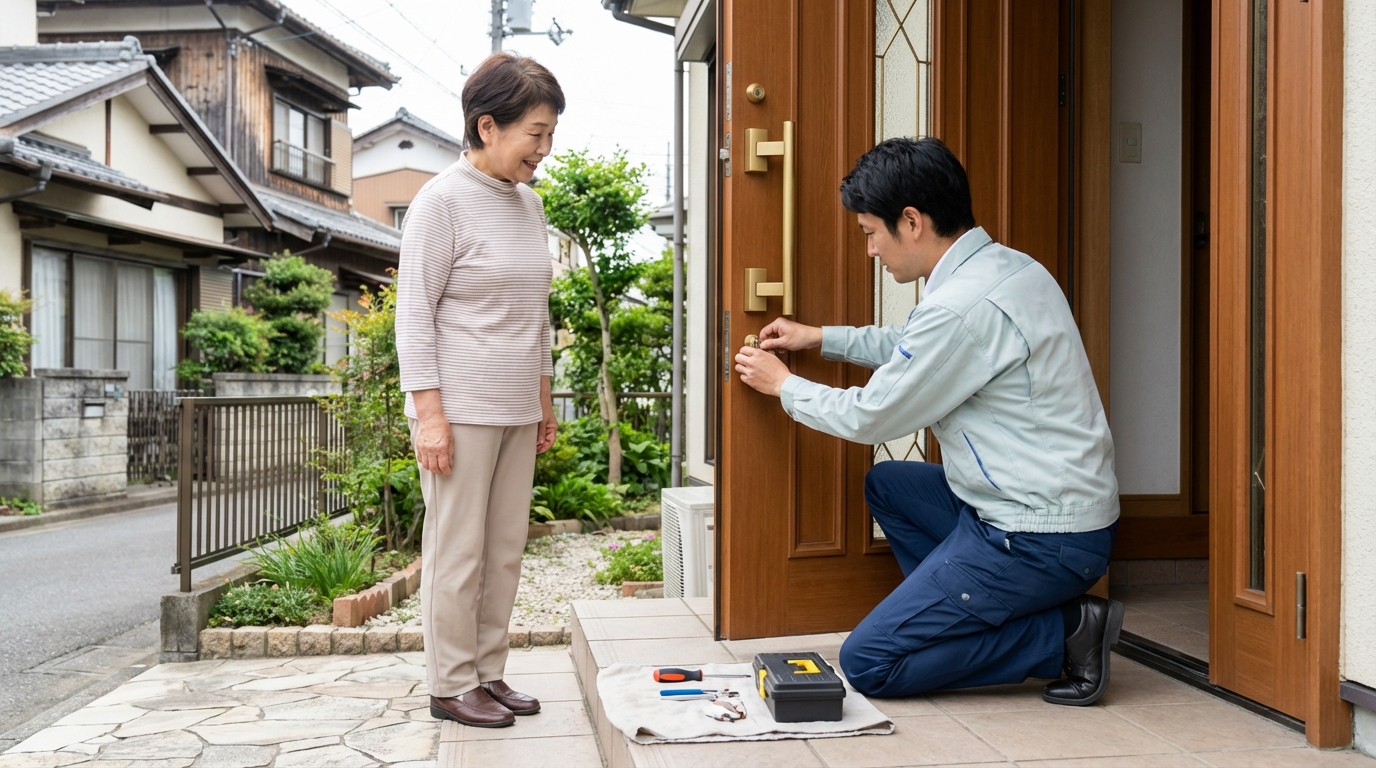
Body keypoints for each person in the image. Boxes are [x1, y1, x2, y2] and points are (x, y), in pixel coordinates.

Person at [734, 137, 1124, 706]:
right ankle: (965, 609)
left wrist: (783, 384)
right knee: (890, 486)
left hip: (1040, 539)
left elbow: (873, 416)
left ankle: (1064, 633)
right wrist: (822, 339)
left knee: (870, 662)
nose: (870, 249)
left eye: (871, 232)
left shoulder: (959, 306)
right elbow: (920, 345)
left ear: (911, 221)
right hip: (1043, 512)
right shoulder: (1009, 268)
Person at [395, 52, 563, 728]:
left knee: (502, 550)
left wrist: (545, 398)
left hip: (517, 405)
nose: (544, 151)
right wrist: (429, 416)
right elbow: (414, 314)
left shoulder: (530, 204)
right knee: (457, 551)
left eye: (550, 136)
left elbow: (539, 310)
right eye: (536, 134)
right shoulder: (440, 203)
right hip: (459, 409)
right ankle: (449, 682)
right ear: (488, 126)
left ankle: (488, 674)